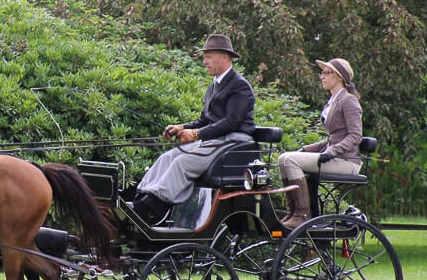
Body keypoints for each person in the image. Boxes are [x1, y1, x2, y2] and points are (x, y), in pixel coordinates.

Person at [132, 33, 256, 225]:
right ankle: (142, 198)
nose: (204, 61)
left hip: (233, 142)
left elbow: (231, 122)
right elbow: (205, 120)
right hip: (215, 140)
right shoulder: (213, 86)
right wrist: (182, 127)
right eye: (204, 57)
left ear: (224, 57)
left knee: (182, 163)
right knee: (168, 157)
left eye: (208, 56)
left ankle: (153, 209)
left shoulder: (239, 86)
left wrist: (197, 134)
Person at [277, 58, 363, 229]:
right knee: (282, 158)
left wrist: (332, 152)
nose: (322, 76)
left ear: (339, 77)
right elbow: (333, 137)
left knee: (290, 160)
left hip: (347, 162)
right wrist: (307, 149)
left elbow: (355, 136)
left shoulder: (349, 101)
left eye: (326, 72)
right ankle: (293, 211)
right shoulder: (333, 101)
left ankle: (302, 215)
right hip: (334, 157)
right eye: (322, 73)